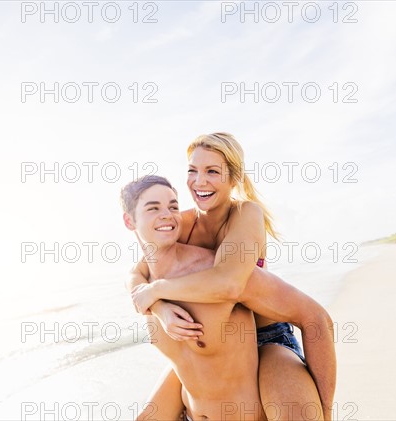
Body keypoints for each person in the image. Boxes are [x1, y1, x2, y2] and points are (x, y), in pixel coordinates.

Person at [127, 133, 336, 420]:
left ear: (234, 178)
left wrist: (325, 410)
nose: (199, 181)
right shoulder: (180, 223)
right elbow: (137, 273)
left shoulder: (246, 214)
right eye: (193, 170)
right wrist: (159, 305)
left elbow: (229, 284)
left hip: (265, 339)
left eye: (212, 171)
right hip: (212, 351)